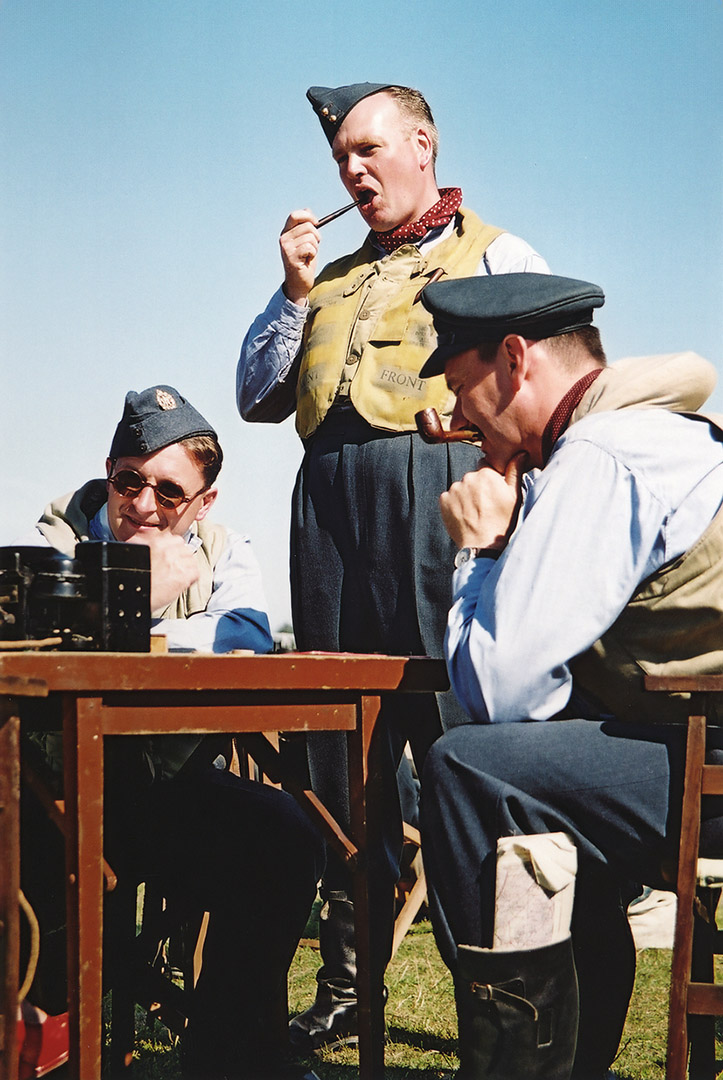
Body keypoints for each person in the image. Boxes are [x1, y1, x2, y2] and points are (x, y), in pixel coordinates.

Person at [236, 79, 550, 1052]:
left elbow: (554, 391)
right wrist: (291, 293)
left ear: (425, 144)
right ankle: (346, 984)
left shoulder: (499, 252)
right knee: (342, 763)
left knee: (455, 749)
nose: (352, 170)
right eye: (341, 160)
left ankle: (500, 1003)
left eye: (369, 150)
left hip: (438, 514)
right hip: (327, 519)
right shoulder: (323, 279)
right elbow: (254, 394)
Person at [414, 273, 723, 1079]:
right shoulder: (651, 431)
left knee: (468, 768)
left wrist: (480, 555)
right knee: (537, 777)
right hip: (698, 748)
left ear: (513, 360)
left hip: (713, 768)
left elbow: (500, 694)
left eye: (459, 389)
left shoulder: (605, 450)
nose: (456, 421)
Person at [19, 384, 325, 1080]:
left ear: (204, 501)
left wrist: (140, 627)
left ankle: (231, 1057)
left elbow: (246, 632)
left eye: (168, 490)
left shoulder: (222, 545)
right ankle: (63, 1051)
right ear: (108, 474)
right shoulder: (63, 531)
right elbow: (38, 637)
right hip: (51, 789)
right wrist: (140, 600)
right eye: (128, 481)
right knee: (48, 858)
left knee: (283, 838)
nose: (144, 504)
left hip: (161, 784)